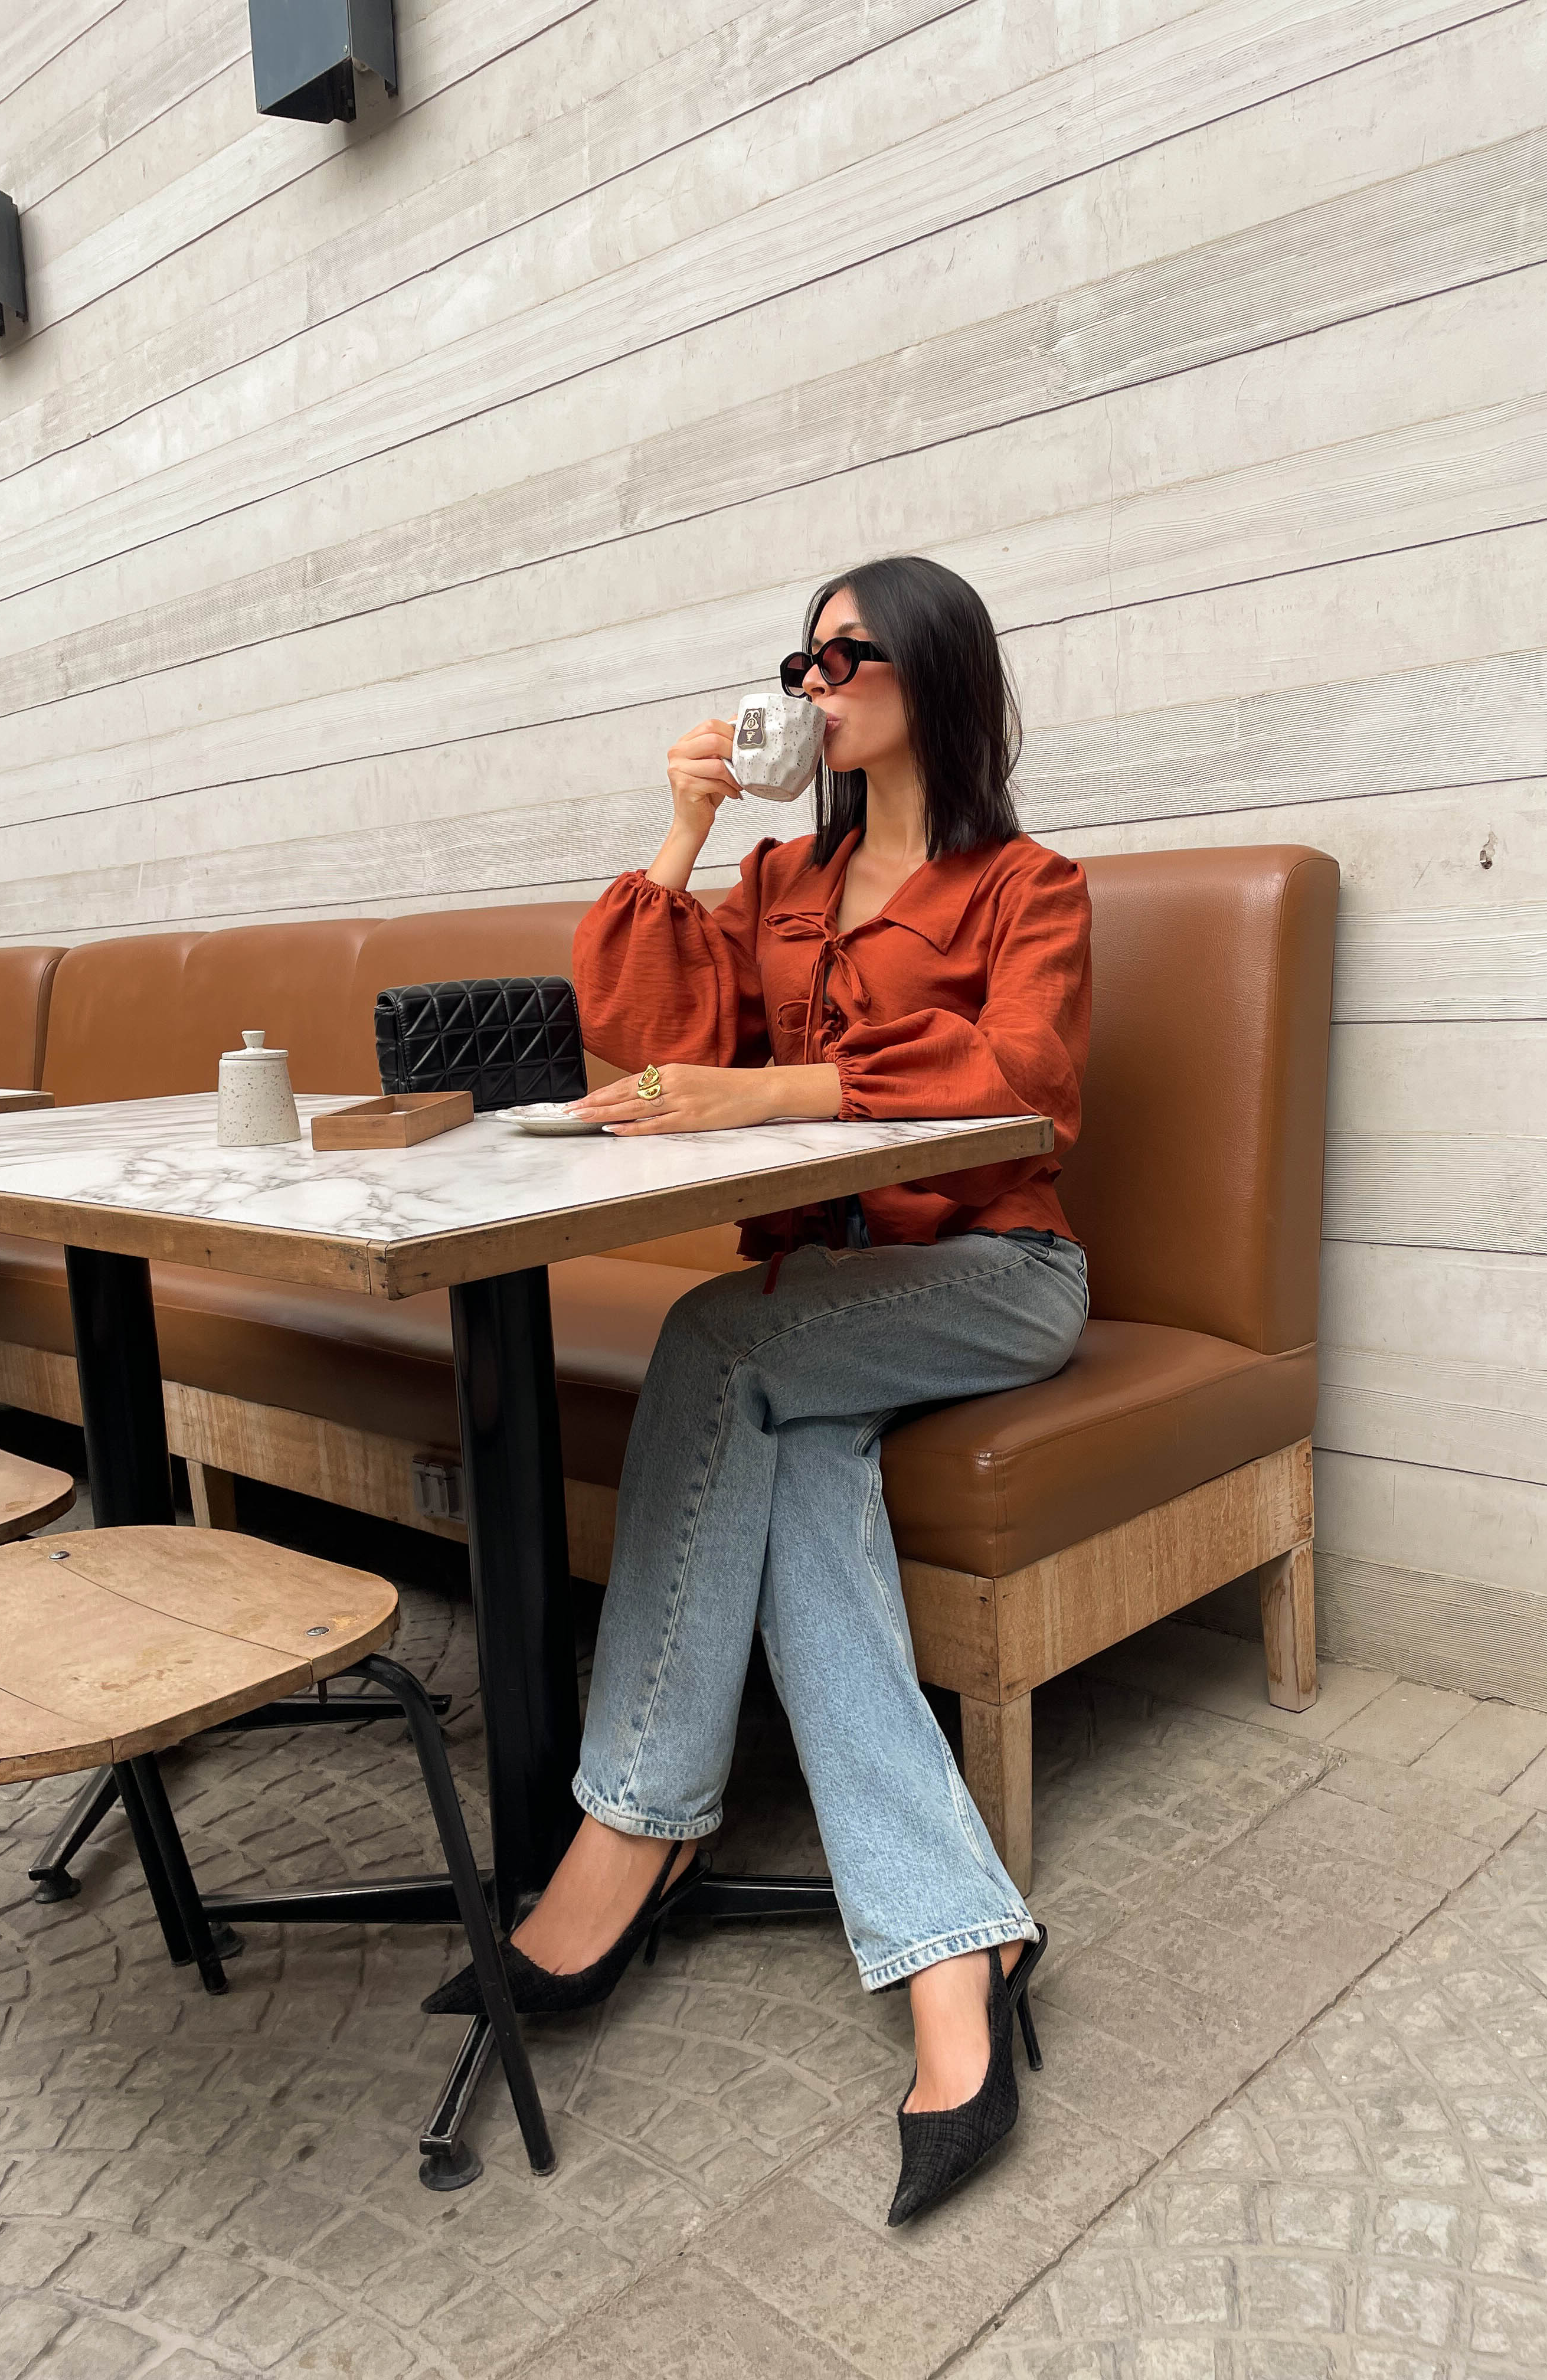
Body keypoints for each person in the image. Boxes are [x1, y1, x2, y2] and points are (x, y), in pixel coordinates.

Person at [427, 554, 1093, 2221]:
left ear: (934, 674)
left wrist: (780, 1093)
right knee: (794, 1465)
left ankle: (632, 1830)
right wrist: (683, 833)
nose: (812, 686)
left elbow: (1027, 1075)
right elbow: (643, 1025)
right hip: (824, 1301)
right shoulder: (782, 879)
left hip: (993, 1281)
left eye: (845, 659)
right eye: (801, 662)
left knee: (715, 1340)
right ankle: (959, 1950)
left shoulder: (1026, 886)